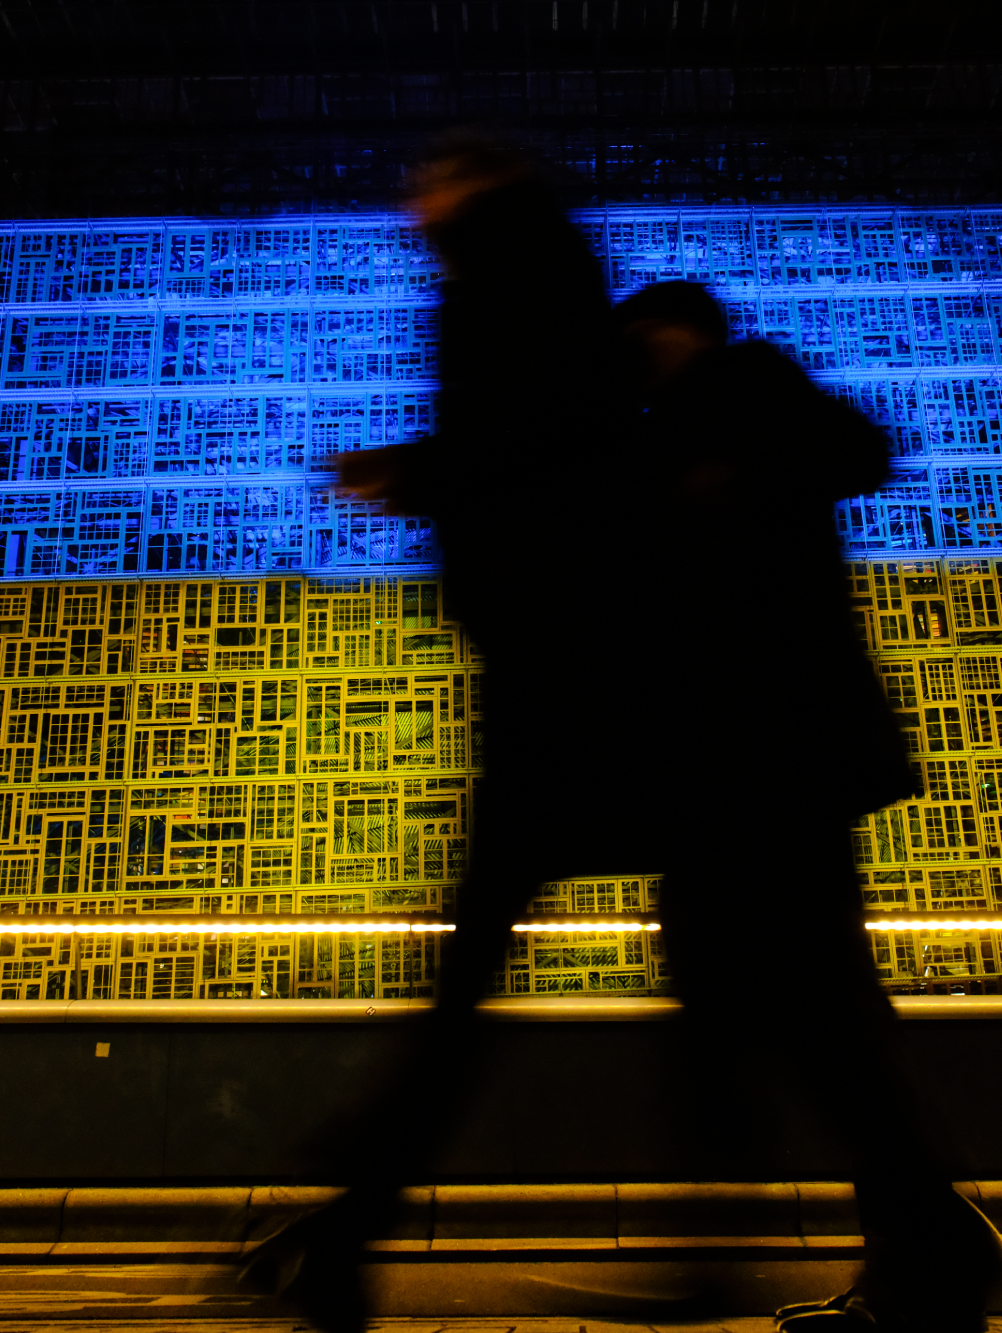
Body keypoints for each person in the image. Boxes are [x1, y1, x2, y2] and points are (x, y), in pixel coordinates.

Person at [240, 138, 660, 1333]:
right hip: (564, 665)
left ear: (466, 187)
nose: (407, 203)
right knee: (494, 969)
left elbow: (531, 445)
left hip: (561, 674)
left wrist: (409, 470)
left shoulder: (508, 274)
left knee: (479, 970)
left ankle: (347, 1226)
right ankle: (344, 1229)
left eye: (425, 181)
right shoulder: (529, 271)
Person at [613, 280, 1002, 1333]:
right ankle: (923, 1246)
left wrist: (728, 471)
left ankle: (779, 1256)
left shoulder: (743, 385)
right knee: (811, 1011)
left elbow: (858, 452)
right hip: (740, 768)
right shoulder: (669, 429)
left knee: (781, 1005)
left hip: (772, 763)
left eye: (639, 340)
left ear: (673, 333)